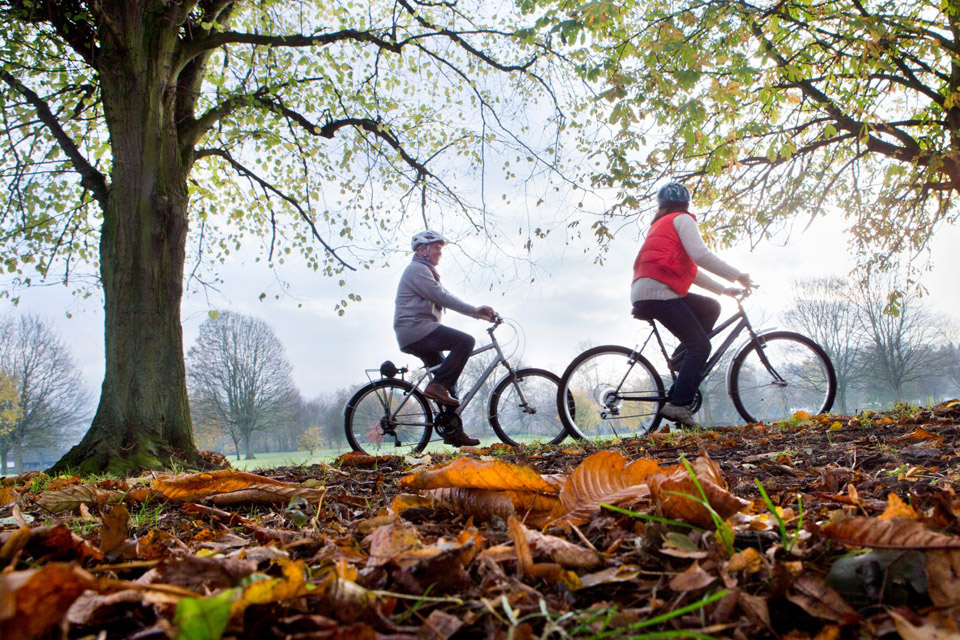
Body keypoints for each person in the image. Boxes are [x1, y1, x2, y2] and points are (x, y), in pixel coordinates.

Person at [631, 182, 752, 428]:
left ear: (661, 205)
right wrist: (737, 274)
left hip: (646, 290)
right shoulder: (683, 220)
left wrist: (724, 290)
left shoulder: (660, 226)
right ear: (686, 204)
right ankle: (678, 405)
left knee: (711, 308)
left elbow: (691, 271)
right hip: (659, 291)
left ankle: (682, 360)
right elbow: (701, 255)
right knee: (701, 346)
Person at [394, 230, 496, 447]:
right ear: (422, 250)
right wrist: (474, 309)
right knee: (465, 342)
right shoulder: (417, 270)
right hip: (416, 329)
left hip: (418, 330)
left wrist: (477, 313)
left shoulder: (425, 271)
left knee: (447, 382)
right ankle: (437, 386)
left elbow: (445, 295)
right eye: (437, 248)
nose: (440, 252)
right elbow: (441, 297)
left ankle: (452, 430)